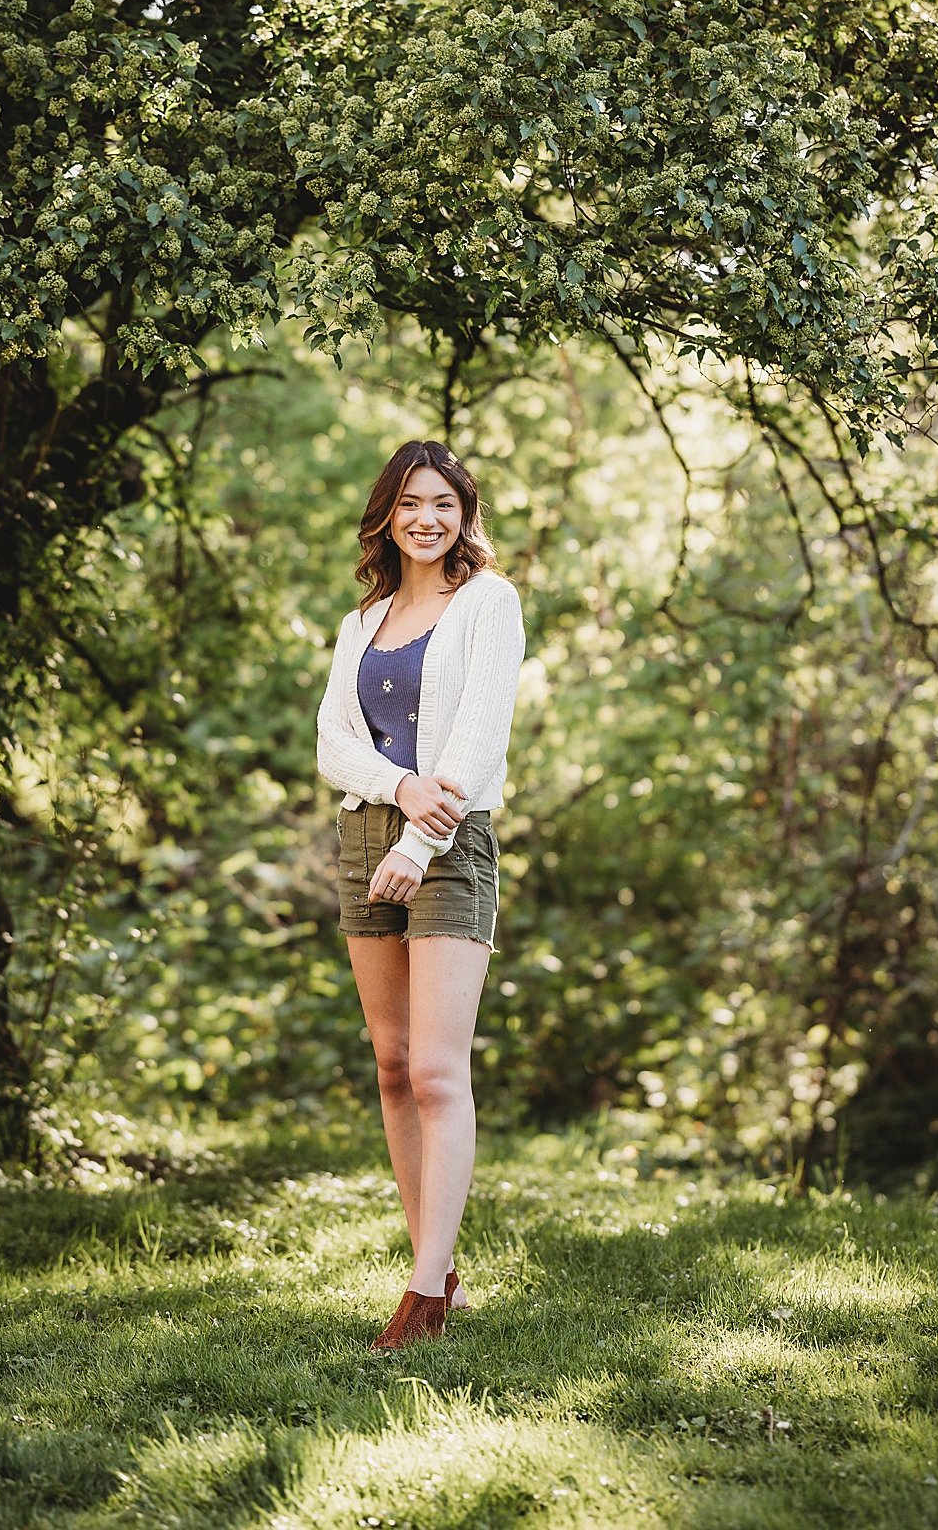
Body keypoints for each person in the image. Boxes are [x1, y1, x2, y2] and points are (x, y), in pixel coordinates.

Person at [316, 438, 526, 1352]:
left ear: (464, 513)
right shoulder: (362, 620)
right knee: (394, 1067)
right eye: (410, 503)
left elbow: (476, 742)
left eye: (443, 502)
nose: (427, 518)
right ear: (387, 517)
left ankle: (426, 1293)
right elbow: (333, 743)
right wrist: (395, 793)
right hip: (365, 832)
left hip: (447, 843)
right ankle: (434, 1264)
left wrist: (421, 835)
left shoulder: (488, 602)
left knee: (439, 1072)